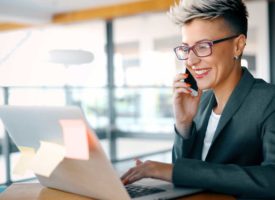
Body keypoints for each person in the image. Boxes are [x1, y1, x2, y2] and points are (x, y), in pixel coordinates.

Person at [121, 0, 275, 199]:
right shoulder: (201, 102)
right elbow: (185, 179)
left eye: (203, 47)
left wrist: (171, 171)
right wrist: (184, 124)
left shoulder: (269, 101)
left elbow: (272, 179)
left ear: (238, 46)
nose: (191, 61)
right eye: (186, 48)